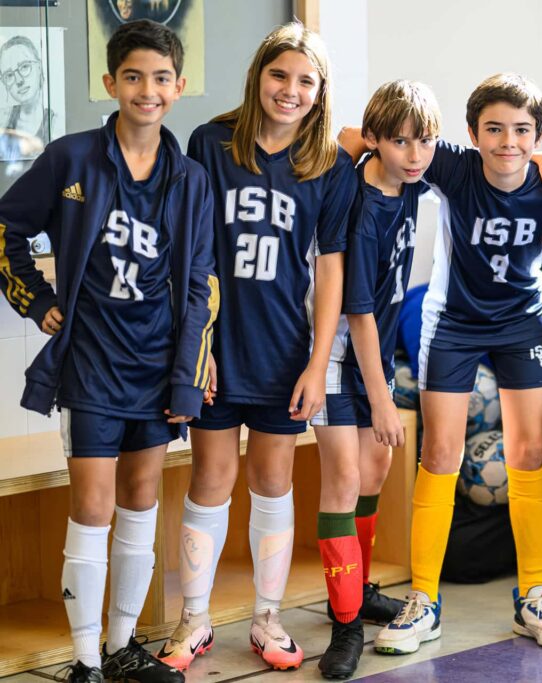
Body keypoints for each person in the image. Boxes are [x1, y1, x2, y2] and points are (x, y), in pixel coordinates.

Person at [0, 19, 215, 683]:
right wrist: (35, 299)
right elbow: (5, 226)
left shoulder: (191, 179)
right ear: (110, 83)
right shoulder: (71, 159)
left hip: (156, 366)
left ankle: (122, 644)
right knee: (92, 507)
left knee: (142, 499)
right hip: (91, 364)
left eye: (160, 78)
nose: (147, 90)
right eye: (133, 76)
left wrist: (188, 377)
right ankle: (86, 659)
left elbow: (200, 288)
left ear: (178, 86)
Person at [357, 73, 542, 655]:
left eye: (522, 131)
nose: (508, 141)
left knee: (527, 452)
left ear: (538, 135)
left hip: (522, 321)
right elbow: (357, 135)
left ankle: (533, 594)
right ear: (472, 133)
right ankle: (424, 601)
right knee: (440, 453)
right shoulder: (453, 166)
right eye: (495, 129)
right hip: (453, 322)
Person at [157, 23, 356, 673]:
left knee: (273, 479)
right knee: (211, 477)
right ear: (257, 77)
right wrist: (197, 346)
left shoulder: (329, 164)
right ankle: (194, 617)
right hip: (217, 346)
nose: (290, 90)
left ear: (321, 91)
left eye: (306, 81)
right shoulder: (210, 143)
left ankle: (268, 616)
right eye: (279, 75)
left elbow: (331, 267)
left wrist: (317, 362)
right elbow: (190, 251)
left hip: (284, 350)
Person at [311, 79, 441, 679]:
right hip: (339, 354)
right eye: (400, 142)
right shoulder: (363, 207)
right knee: (343, 479)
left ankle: (357, 591)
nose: (415, 155)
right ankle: (345, 625)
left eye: (424, 141)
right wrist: (385, 401)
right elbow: (358, 313)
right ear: (376, 141)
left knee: (376, 469)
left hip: (376, 352)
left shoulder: (408, 180)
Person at [0, 35, 54, 152]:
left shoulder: (56, 123)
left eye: (24, 67)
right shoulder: (3, 122)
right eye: (9, 75)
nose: (19, 80)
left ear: (39, 67)